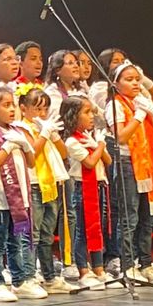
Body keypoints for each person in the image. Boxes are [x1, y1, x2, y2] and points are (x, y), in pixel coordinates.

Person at [108, 62, 153, 285]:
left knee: (147, 217)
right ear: (116, 84)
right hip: (127, 163)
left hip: (148, 164)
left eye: (137, 79)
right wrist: (139, 115)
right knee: (129, 217)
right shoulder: (115, 105)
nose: (135, 83)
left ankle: (146, 263)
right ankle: (127, 265)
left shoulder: (143, 102)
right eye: (129, 79)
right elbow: (121, 137)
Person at [0, 87, 39, 302]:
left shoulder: (17, 132)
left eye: (13, 105)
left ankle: (19, 280)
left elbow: (31, 163)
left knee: (16, 241)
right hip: (1, 198)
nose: (12, 109)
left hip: (20, 196)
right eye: (6, 105)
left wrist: (25, 145)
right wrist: (8, 145)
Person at [20, 86, 75, 294]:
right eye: (37, 109)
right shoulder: (21, 128)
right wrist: (44, 132)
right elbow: (33, 152)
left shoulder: (46, 128)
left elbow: (64, 153)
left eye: (45, 109)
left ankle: (49, 277)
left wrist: (54, 135)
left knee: (46, 235)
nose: (42, 114)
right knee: (32, 234)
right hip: (34, 184)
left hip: (51, 184)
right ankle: (28, 276)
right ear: (23, 108)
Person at [61, 94, 111, 289]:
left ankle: (99, 268)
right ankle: (83, 269)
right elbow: (90, 162)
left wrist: (98, 145)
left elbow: (108, 160)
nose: (92, 116)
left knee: (97, 228)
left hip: (99, 186)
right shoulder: (72, 141)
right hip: (83, 188)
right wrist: (100, 145)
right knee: (82, 230)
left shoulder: (89, 137)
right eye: (87, 112)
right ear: (74, 115)